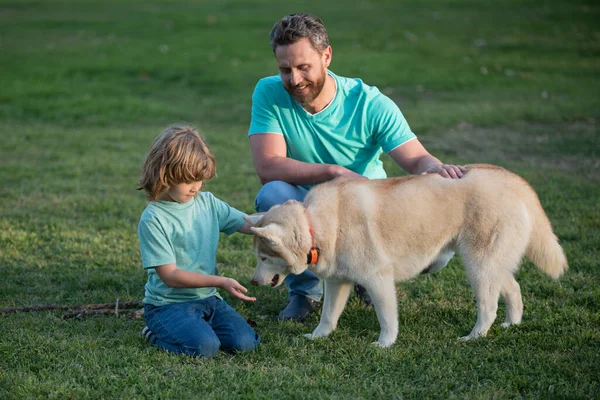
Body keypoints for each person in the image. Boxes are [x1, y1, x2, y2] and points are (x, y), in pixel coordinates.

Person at [248, 13, 465, 323]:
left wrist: (438, 168)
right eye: (285, 70)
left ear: (327, 56)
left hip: (368, 210)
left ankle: (364, 274)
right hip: (307, 206)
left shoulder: (370, 104)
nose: (294, 80)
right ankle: (304, 292)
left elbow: (417, 159)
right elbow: (268, 167)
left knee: (437, 258)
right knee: (273, 195)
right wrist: (333, 173)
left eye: (303, 67)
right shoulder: (269, 93)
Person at [137, 125, 260, 358]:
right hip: (167, 305)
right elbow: (170, 276)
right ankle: (155, 333)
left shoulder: (208, 203)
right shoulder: (154, 219)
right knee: (204, 347)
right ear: (164, 174)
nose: (197, 187)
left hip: (208, 300)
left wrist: (281, 222)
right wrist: (220, 281)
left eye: (200, 180)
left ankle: (199, 327)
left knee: (245, 343)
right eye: (189, 181)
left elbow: (247, 223)